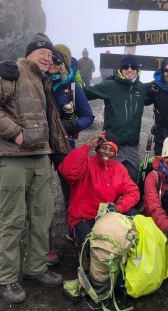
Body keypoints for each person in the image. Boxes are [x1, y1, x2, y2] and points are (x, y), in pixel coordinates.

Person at [0, 33, 70, 304]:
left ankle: (35, 269)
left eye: (50, 54)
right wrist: (15, 132)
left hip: (41, 156)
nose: (47, 57)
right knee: (12, 219)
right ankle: (7, 279)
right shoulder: (12, 71)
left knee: (43, 215)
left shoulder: (43, 81)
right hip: (13, 158)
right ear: (28, 54)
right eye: (41, 52)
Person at [47, 44, 95, 264]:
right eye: (50, 59)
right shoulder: (40, 82)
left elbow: (88, 116)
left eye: (58, 61)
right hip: (40, 147)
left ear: (65, 63)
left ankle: (73, 230)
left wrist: (72, 125)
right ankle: (44, 244)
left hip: (66, 147)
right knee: (42, 196)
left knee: (71, 191)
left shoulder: (74, 88)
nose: (53, 64)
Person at [58, 131, 140, 248]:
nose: (107, 152)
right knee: (92, 246)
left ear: (116, 154)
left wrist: (119, 207)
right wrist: (88, 146)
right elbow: (67, 170)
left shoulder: (119, 168)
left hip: (110, 214)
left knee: (135, 226)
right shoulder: (86, 162)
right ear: (97, 149)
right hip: (84, 217)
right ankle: (78, 241)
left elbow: (133, 192)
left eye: (111, 150)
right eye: (104, 148)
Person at [83, 54, 147, 182]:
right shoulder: (111, 85)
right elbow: (85, 93)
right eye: (125, 66)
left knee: (132, 179)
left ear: (137, 69)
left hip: (131, 145)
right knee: (107, 179)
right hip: (111, 143)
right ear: (120, 69)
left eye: (133, 66)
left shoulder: (141, 88)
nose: (129, 69)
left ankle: (126, 202)